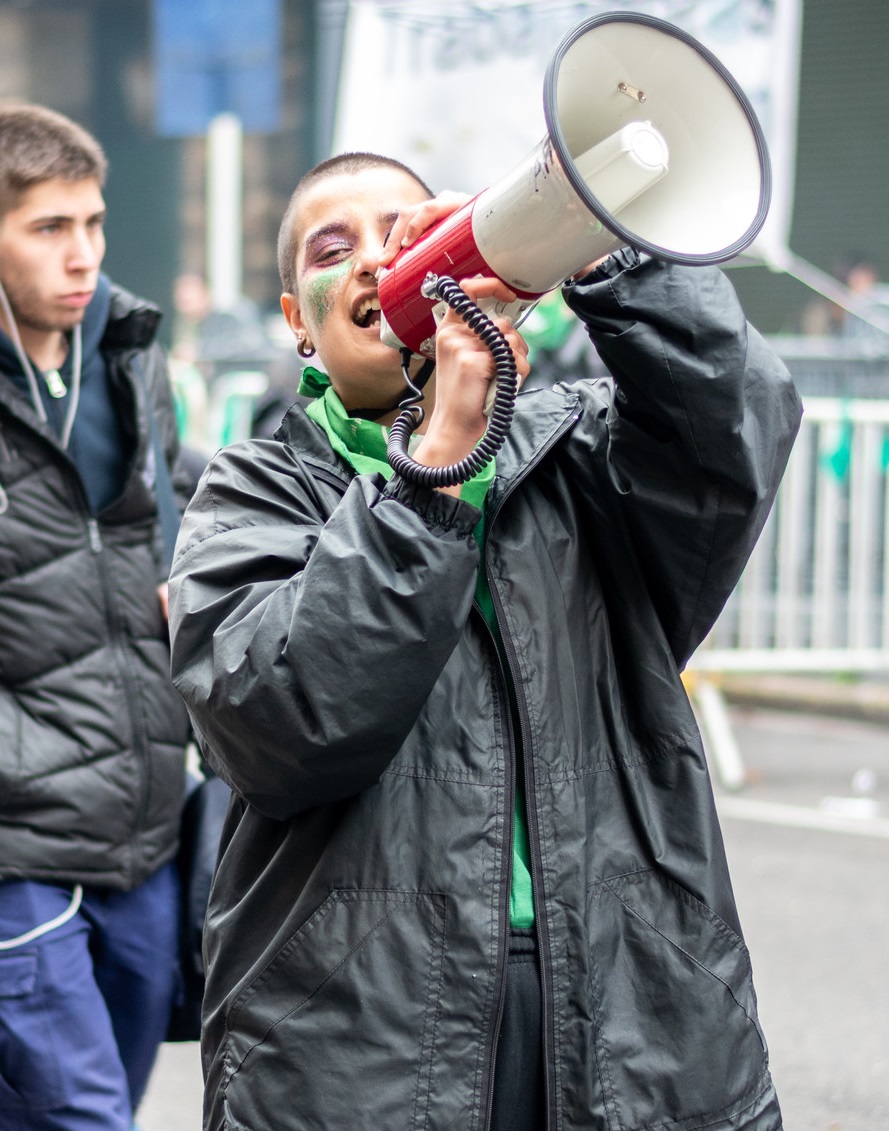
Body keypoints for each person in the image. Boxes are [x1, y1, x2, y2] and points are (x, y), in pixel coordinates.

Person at [168, 152, 803, 1131]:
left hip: (635, 1029)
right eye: (335, 250)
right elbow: (290, 723)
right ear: (298, 321)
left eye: (406, 232)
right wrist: (439, 466)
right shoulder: (250, 495)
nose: (379, 263)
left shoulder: (583, 451)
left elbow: (738, 420)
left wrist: (586, 249)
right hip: (358, 1052)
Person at [0, 103, 192, 1130]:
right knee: (85, 1118)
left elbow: (171, 527)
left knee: (87, 1104)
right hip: (16, 845)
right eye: (47, 229)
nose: (83, 257)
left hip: (142, 828)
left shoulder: (128, 352)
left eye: (95, 224)